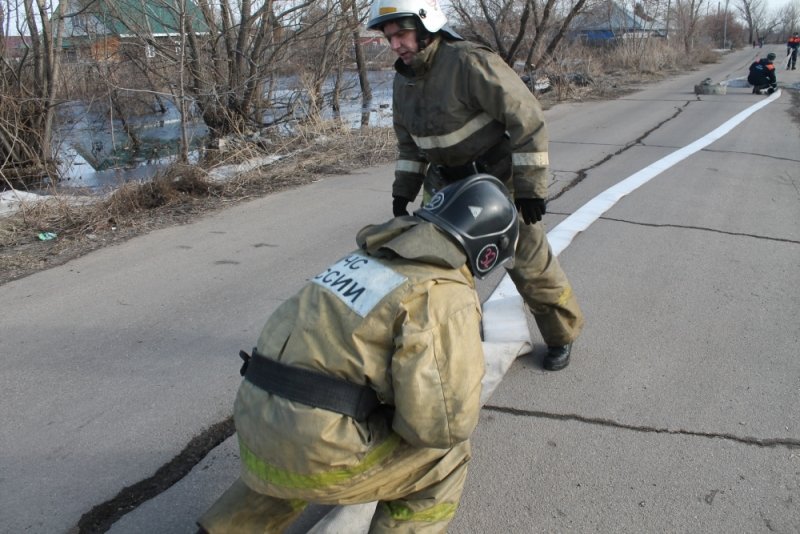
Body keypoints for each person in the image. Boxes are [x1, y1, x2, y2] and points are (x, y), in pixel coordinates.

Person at [198, 175, 520, 533]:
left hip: (255, 418)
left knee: (300, 442)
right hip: (314, 444)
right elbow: (438, 426)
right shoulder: (442, 293)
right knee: (443, 460)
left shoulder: (366, 258)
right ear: (488, 249)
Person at [366, 0, 584, 371]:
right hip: (446, 187)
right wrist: (404, 187)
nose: (395, 45)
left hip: (499, 182)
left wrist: (531, 188)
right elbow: (409, 144)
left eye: (400, 34)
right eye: (389, 38)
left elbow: (527, 119)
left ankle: (560, 335)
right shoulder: (404, 81)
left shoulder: (468, 62)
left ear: (425, 24)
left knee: (530, 266)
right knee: (443, 271)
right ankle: (459, 337)